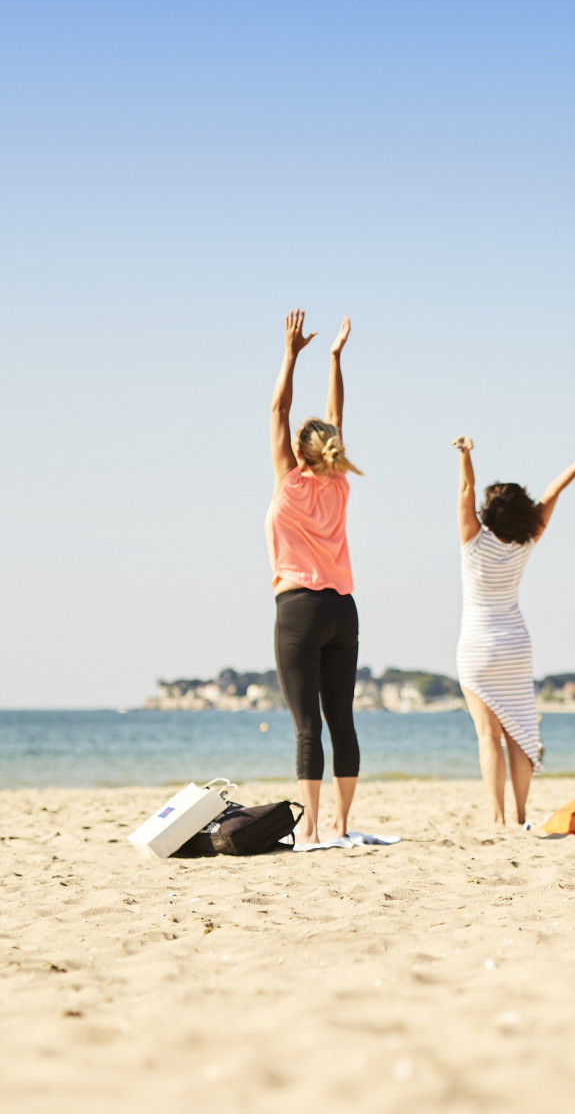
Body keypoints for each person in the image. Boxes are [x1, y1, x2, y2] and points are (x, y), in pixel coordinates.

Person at [452, 435, 575, 826]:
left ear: (488, 514)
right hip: (514, 645)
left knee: (487, 736)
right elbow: (553, 490)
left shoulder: (473, 542)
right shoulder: (527, 541)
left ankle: (496, 817)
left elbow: (465, 488)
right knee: (519, 733)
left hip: (477, 647)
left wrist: (466, 455)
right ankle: (521, 814)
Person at [267, 309, 363, 846]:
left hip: (299, 609)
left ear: (298, 451)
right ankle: (342, 826)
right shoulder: (340, 482)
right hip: (342, 612)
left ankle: (309, 833)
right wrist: (334, 357)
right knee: (342, 721)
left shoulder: (290, 480)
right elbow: (335, 414)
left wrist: (290, 355)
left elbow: (278, 407)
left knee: (309, 726)